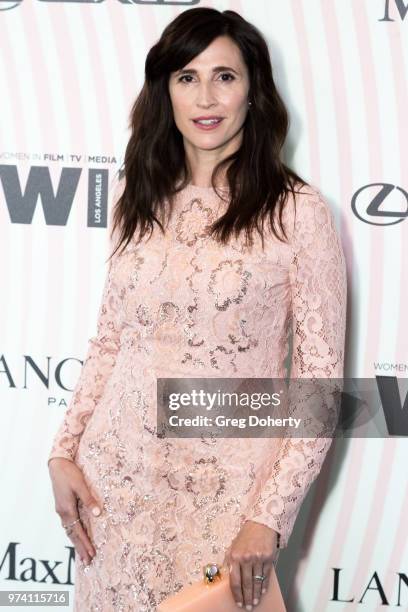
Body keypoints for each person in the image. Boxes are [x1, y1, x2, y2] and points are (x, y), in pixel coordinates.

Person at [47, 7, 347, 611]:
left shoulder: (297, 212)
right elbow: (111, 340)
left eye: (225, 76)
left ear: (254, 91)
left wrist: (269, 517)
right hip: (117, 490)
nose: (205, 96)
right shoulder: (139, 196)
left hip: (226, 500)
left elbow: (318, 388)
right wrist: (62, 450)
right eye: (187, 77)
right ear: (165, 91)